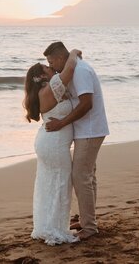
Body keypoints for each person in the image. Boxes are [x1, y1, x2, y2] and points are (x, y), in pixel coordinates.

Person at [43, 41, 109, 240]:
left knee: (80, 177)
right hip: (86, 130)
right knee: (88, 177)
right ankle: (87, 220)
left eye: (51, 61)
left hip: (90, 130)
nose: (51, 65)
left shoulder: (80, 71)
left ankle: (89, 228)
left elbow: (86, 104)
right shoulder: (74, 68)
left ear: (61, 58)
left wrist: (62, 122)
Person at [24, 48, 83, 245]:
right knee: (59, 185)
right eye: (46, 68)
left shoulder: (45, 91)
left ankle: (47, 226)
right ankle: (54, 229)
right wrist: (73, 53)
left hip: (48, 142)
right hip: (54, 144)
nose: (51, 68)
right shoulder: (50, 89)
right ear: (41, 76)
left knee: (49, 185)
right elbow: (70, 69)